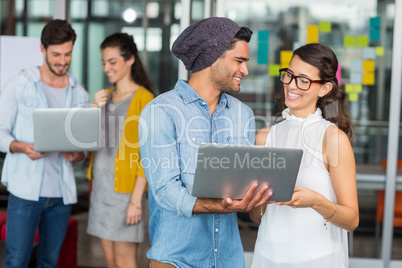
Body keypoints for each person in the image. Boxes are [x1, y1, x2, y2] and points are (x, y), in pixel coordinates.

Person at [139, 17, 272, 268]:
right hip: (175, 260)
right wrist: (216, 206)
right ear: (212, 57)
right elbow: (165, 191)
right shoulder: (161, 112)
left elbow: (243, 182)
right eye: (239, 61)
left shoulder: (242, 114)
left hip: (228, 260)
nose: (245, 70)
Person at [249, 43, 359, 267]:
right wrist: (259, 199)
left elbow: (352, 220)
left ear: (324, 88)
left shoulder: (333, 139)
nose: (291, 85)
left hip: (319, 259)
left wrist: (316, 202)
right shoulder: (264, 137)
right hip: (267, 255)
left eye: (304, 80)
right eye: (289, 75)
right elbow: (256, 216)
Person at [0, 19, 89, 267]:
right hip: (25, 192)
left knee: (49, 262)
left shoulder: (79, 93)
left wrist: (77, 156)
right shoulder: (20, 85)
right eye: (56, 54)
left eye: (68, 54)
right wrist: (23, 147)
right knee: (16, 261)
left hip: (61, 196)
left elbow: (83, 147)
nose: (63, 61)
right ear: (43, 49)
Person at [86, 32, 155, 268]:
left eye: (112, 62)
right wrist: (94, 110)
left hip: (127, 195)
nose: (107, 68)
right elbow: (88, 141)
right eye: (103, 62)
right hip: (101, 190)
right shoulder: (105, 97)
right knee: (110, 261)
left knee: (125, 263)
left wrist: (136, 200)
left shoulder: (144, 99)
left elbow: (148, 155)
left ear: (130, 60)